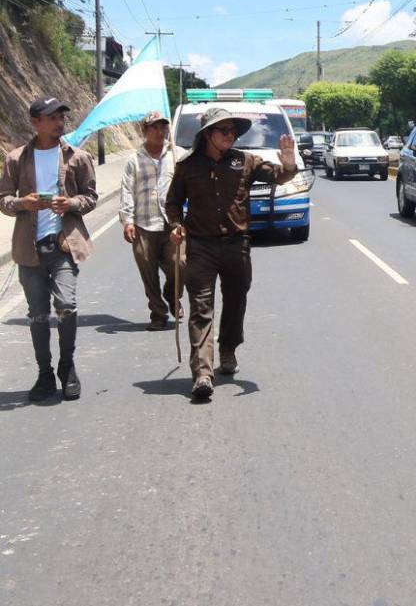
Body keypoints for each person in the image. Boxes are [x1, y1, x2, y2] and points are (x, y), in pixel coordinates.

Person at [165, 106, 296, 401]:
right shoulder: (187, 166)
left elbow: (278, 176)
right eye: (223, 130)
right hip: (200, 246)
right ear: (208, 134)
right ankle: (202, 372)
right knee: (200, 308)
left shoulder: (245, 161)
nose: (230, 135)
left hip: (237, 246)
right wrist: (175, 225)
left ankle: (228, 349)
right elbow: (173, 202)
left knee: (236, 301)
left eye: (233, 131)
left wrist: (288, 163)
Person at [0, 97, 97, 402]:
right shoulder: (16, 158)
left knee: (66, 307)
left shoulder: (77, 157)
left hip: (63, 246)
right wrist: (22, 204)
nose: (59, 122)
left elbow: (91, 196)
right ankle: (45, 372)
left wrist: (70, 204)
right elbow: (3, 198)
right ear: (35, 122)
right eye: (51, 117)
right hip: (29, 250)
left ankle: (67, 367)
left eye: (61, 116)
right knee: (38, 315)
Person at [120, 111, 182, 331]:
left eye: (162, 126)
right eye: (154, 127)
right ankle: (158, 313)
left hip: (173, 224)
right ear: (144, 131)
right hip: (144, 224)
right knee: (148, 272)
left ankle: (172, 295)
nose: (159, 131)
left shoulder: (178, 155)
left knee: (180, 264)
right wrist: (127, 220)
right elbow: (127, 191)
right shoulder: (133, 161)